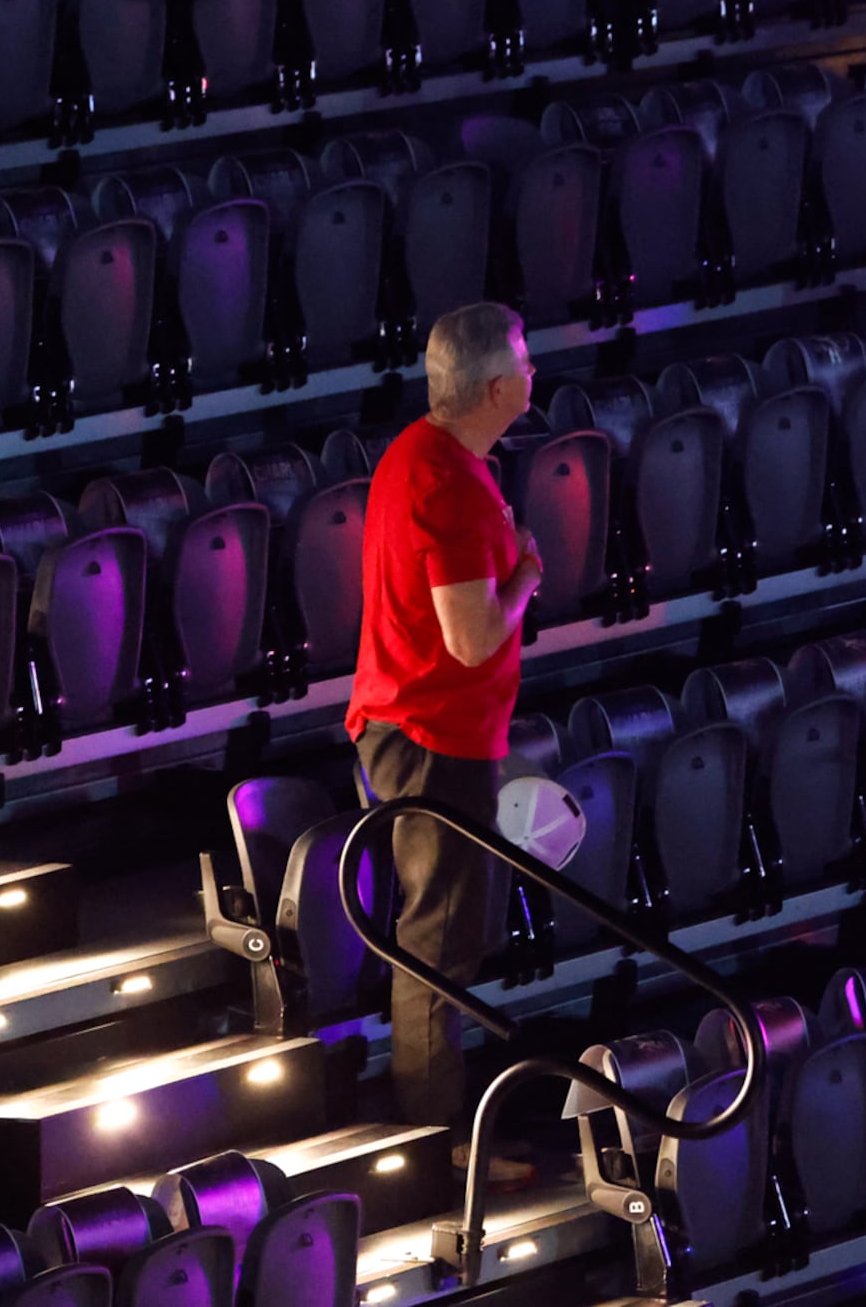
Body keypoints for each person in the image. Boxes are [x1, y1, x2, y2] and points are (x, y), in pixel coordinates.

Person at [351, 301, 538, 1138]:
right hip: (428, 735)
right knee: (438, 945)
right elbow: (469, 641)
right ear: (497, 386)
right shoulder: (447, 481)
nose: (535, 375)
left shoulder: (439, 457)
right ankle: (437, 1145)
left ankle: (442, 1134)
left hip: (433, 731)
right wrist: (527, 576)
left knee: (448, 937)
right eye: (526, 364)